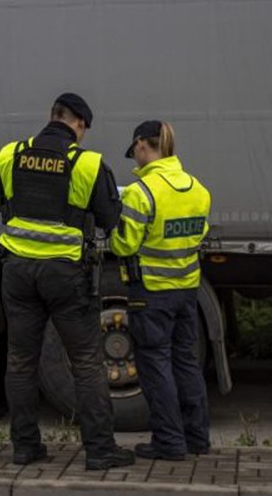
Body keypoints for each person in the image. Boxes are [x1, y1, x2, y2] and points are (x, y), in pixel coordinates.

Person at [0, 93, 134, 470]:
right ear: (79, 125)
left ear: (51, 117)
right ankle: (100, 451)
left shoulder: (10, 154)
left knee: (20, 362)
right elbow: (107, 219)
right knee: (86, 363)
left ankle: (25, 447)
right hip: (66, 274)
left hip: (17, 271)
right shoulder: (87, 163)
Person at [109, 120, 212, 461]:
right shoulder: (197, 188)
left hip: (151, 292)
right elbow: (199, 235)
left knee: (156, 367)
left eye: (135, 152)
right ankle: (197, 437)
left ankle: (169, 442)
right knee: (186, 363)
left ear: (142, 145)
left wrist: (111, 227)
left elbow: (124, 245)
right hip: (187, 289)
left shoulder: (142, 193)